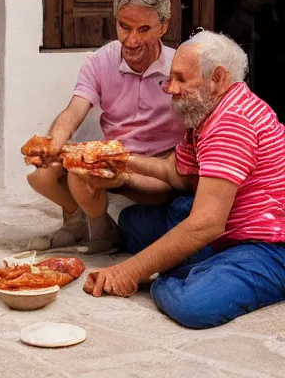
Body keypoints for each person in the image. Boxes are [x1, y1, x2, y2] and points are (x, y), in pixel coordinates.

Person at [85, 30, 285, 329]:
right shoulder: (207, 112)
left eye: (180, 79)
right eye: (171, 77)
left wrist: (131, 272)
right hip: (224, 227)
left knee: (193, 305)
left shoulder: (232, 122)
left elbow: (206, 223)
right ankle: (190, 262)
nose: (170, 88)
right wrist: (123, 162)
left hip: (266, 244)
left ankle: (177, 274)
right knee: (132, 222)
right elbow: (176, 173)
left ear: (217, 78)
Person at [25, 0, 187, 253]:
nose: (132, 40)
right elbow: (74, 111)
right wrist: (53, 144)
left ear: (163, 27)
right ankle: (78, 224)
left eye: (144, 29)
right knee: (41, 175)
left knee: (81, 174)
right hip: (111, 158)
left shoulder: (180, 66)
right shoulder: (101, 60)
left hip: (156, 167)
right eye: (124, 27)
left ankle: (101, 235)